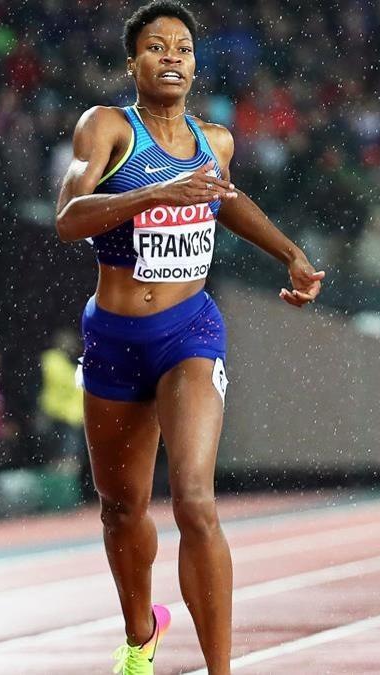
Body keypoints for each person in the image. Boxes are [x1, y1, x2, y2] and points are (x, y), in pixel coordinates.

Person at [54, 3, 325, 673]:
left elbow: (224, 199)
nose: (170, 57)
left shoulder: (216, 141)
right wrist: (149, 196)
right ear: (132, 63)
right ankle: (141, 634)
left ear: (197, 64)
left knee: (196, 501)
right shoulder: (109, 127)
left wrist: (286, 251)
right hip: (115, 339)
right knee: (121, 509)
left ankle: (220, 668)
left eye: (182, 48)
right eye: (155, 47)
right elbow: (68, 217)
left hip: (189, 333)